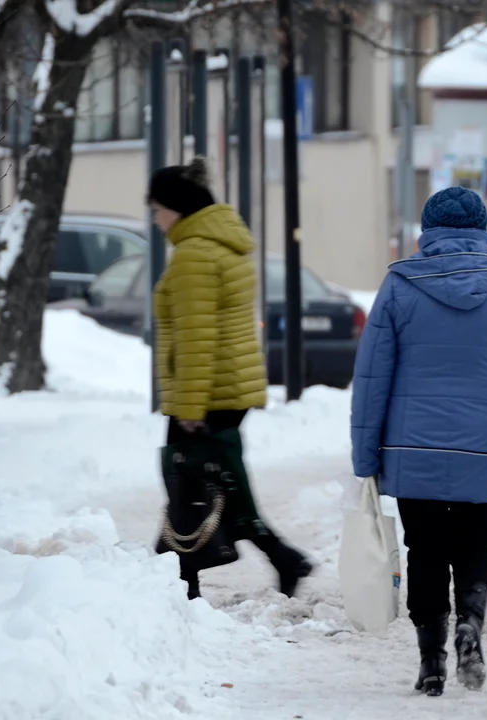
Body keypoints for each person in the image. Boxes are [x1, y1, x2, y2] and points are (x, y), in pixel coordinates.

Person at [350, 187, 487, 697]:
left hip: (412, 448)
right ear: (482, 230)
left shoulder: (399, 285)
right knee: (475, 542)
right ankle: (471, 620)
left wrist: (366, 458)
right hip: (483, 449)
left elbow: (371, 377)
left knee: (423, 548)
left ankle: (431, 659)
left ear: (427, 232)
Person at [148, 155, 312, 601]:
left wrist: (187, 409)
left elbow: (196, 338)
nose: (156, 218)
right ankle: (279, 555)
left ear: (177, 207)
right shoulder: (222, 244)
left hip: (207, 391)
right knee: (218, 480)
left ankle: (182, 585)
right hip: (227, 386)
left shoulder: (194, 257)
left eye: (158, 208)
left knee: (188, 484)